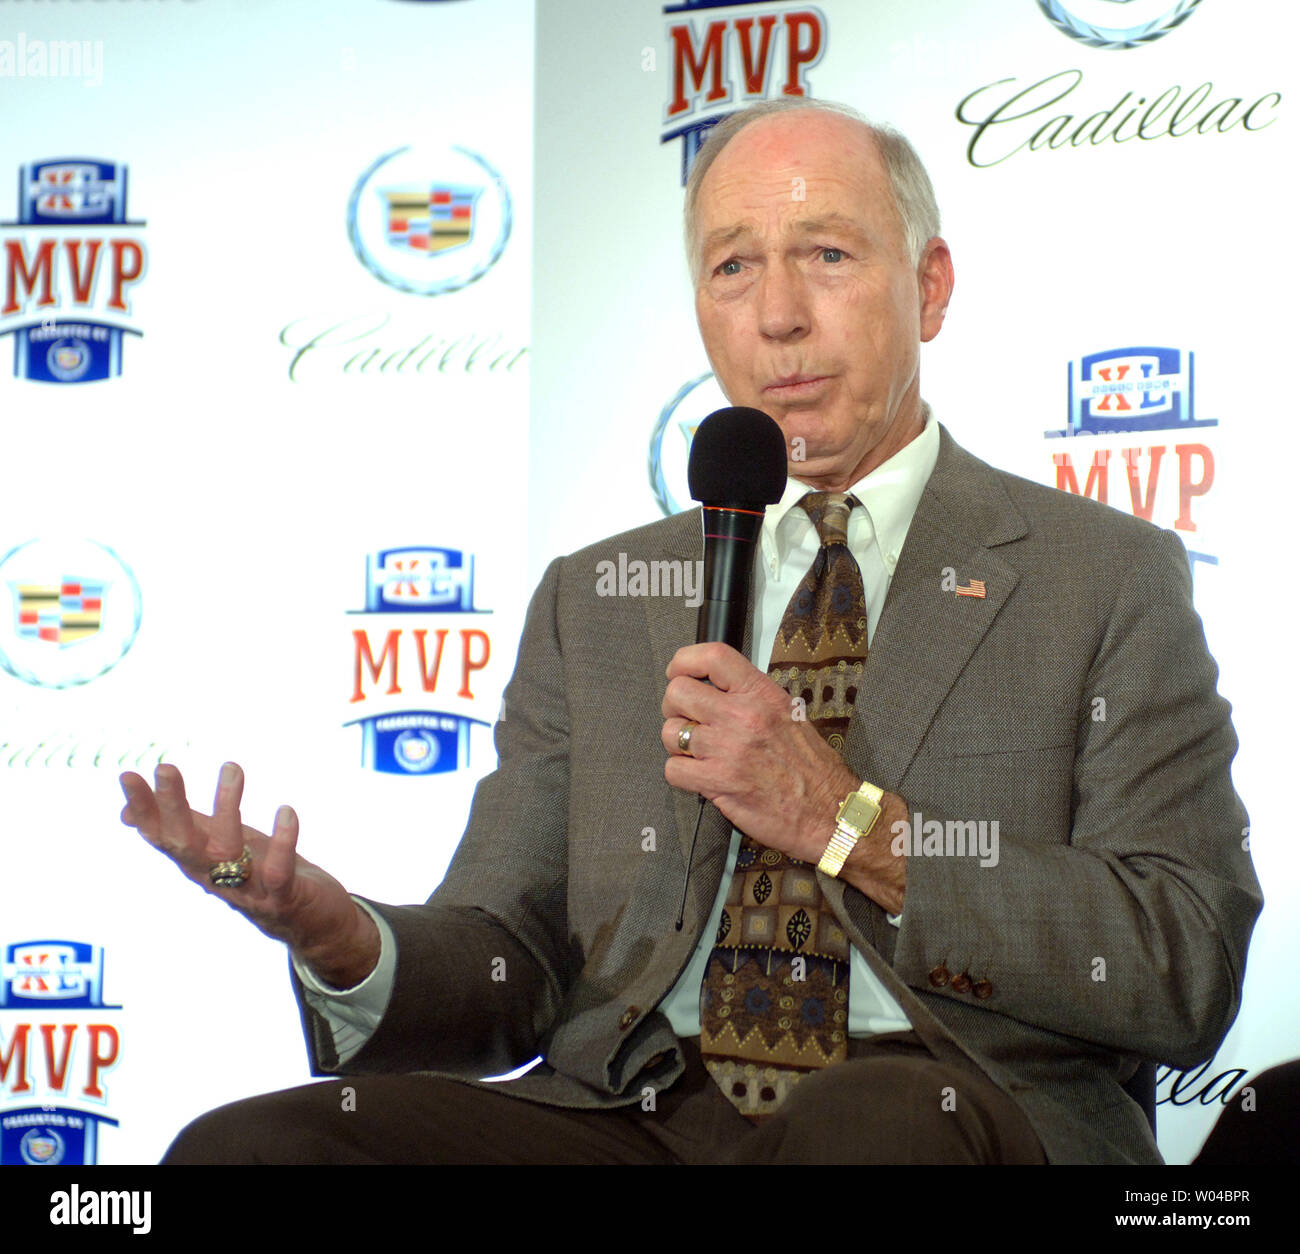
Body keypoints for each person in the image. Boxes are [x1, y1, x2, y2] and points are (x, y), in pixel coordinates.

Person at [119, 99, 1261, 1164]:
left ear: (929, 286)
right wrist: (343, 938)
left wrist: (848, 822)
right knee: (252, 1154)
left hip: (945, 1098)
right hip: (634, 1117)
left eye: (826, 253)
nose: (778, 316)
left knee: (869, 1127)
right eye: (732, 267)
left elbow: (1182, 961)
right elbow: (511, 964)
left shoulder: (1097, 574)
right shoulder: (600, 596)